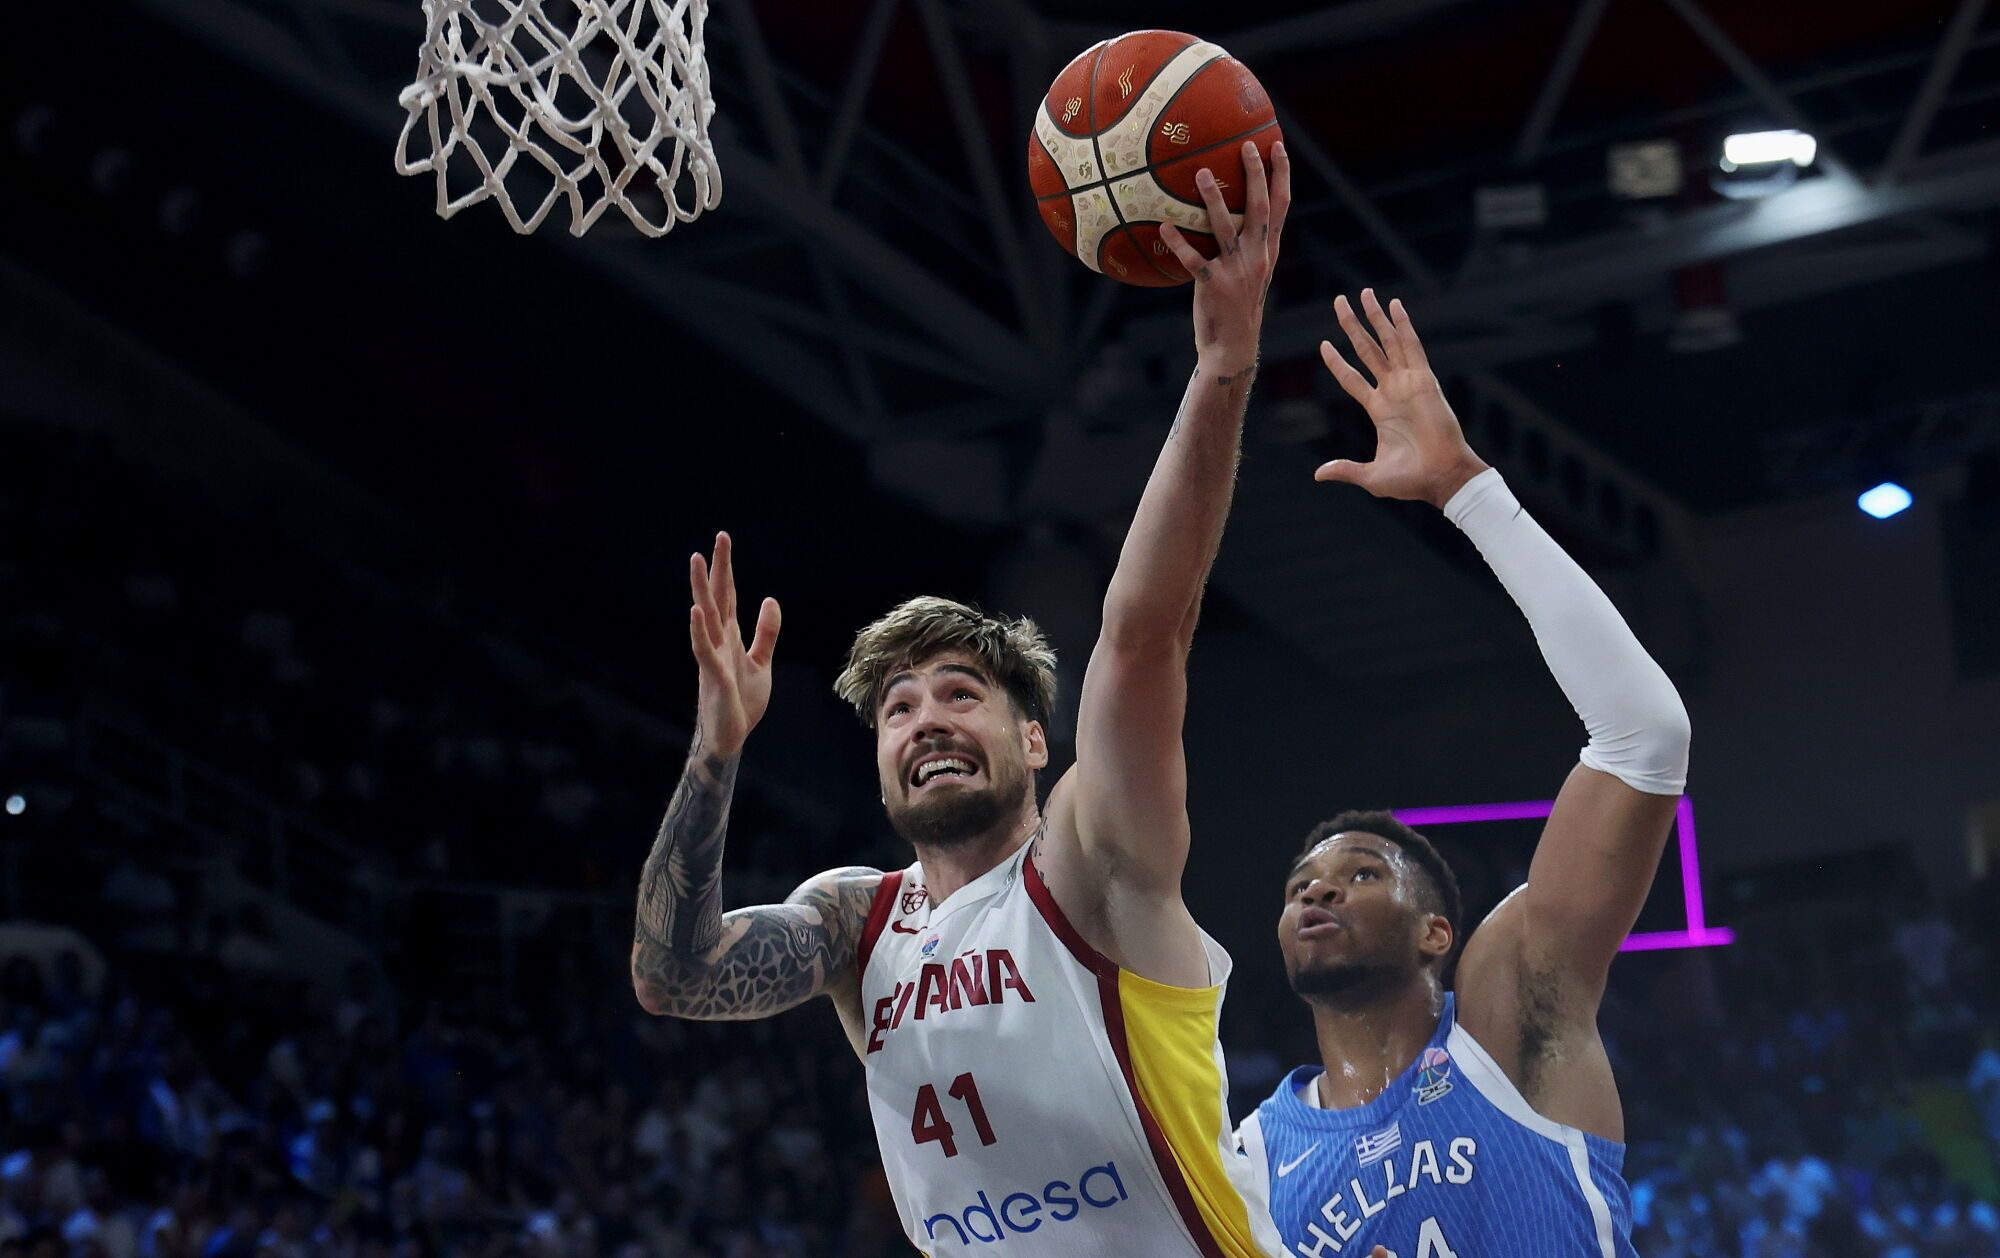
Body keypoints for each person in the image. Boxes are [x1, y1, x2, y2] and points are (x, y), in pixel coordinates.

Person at [631, 142, 1299, 1257]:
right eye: (897, 708)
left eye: (959, 693)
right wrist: (713, 755)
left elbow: (1143, 635)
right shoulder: (857, 923)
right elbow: (671, 977)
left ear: (1034, 738)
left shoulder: (1089, 860)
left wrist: (1220, 370)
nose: (926, 719)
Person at [1239, 291, 1691, 1257]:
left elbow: (1644, 738)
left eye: (1362, 873)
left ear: (1435, 932)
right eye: (1301, 884)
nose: (1317, 889)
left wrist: (1466, 491)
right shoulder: (1247, 1161)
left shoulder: (1508, 1025)